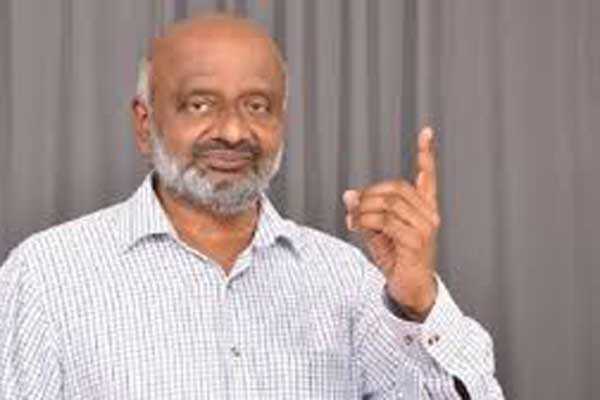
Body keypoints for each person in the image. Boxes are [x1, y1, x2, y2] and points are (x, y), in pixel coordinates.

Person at [0, 13, 504, 399]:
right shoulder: (47, 277)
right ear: (144, 122)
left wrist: (418, 303)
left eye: (257, 106)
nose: (233, 131)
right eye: (200, 104)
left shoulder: (347, 280)